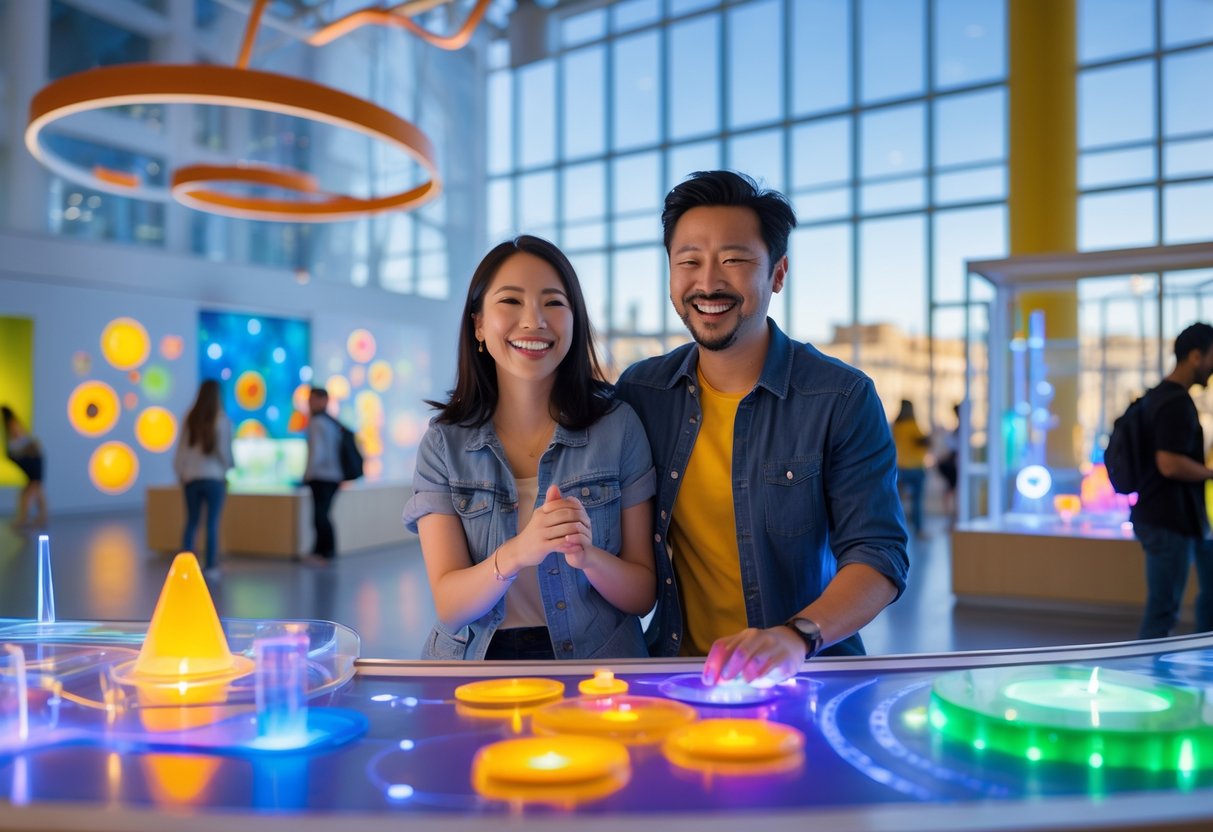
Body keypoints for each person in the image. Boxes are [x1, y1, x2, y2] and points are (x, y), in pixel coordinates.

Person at [615, 170, 909, 685]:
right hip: (676, 675)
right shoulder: (642, 392)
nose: (708, 283)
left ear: (777, 273)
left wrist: (797, 636)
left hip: (803, 675)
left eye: (735, 260)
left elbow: (879, 553)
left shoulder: (839, 397)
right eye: (689, 262)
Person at [402, 235, 657, 661]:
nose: (534, 320)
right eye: (511, 301)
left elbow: (642, 596)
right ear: (479, 325)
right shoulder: (443, 445)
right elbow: (450, 606)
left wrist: (588, 557)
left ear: (575, 322)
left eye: (554, 303)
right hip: (473, 670)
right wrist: (521, 550)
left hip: (597, 668)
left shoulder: (618, 427)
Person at [1131, 322, 1213, 639]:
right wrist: (1209, 473)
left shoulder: (1156, 397)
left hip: (1168, 518)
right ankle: (1147, 682)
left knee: (1167, 608)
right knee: (1162, 613)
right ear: (1195, 356)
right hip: (1168, 520)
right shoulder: (1176, 403)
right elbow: (1168, 463)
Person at [172, 380, 233, 573]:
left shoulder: (189, 418)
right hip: (214, 478)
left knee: (192, 522)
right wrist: (229, 468)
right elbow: (224, 452)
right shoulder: (222, 421)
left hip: (191, 478)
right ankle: (211, 566)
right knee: (212, 523)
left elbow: (181, 451)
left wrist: (181, 473)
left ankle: (186, 566)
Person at [304, 387, 343, 564]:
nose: (309, 403)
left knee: (320, 516)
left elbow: (317, 453)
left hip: (321, 476)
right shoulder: (332, 422)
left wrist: (307, 474)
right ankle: (324, 552)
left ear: (323, 400)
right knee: (323, 515)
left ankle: (323, 553)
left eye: (313, 399)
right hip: (333, 476)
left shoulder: (317, 422)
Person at [2, 405, 47, 528]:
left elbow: (24, 443)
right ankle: (40, 518)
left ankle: (25, 518)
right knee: (35, 489)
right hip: (32, 461)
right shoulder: (11, 426)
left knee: (31, 490)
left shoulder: (12, 425)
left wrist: (16, 454)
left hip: (33, 461)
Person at [891, 399, 931, 540]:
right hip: (916, 467)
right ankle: (919, 530)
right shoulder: (912, 425)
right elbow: (922, 442)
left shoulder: (897, 426)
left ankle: (896, 531)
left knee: (898, 502)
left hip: (901, 467)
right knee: (917, 502)